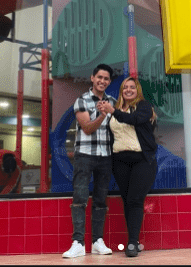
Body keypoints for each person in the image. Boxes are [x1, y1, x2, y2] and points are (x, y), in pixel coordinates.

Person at [98, 77, 158, 258]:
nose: (129, 90)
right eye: (126, 87)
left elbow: (134, 120)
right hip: (120, 161)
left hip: (142, 160)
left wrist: (113, 111)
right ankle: (135, 241)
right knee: (127, 200)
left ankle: (131, 243)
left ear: (137, 90)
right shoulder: (115, 111)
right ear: (122, 91)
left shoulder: (144, 107)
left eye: (132, 87)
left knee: (134, 200)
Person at [62, 64, 116, 259]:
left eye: (106, 79)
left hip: (105, 155)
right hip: (85, 154)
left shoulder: (112, 102)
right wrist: (103, 114)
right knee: (80, 198)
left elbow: (117, 128)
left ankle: (97, 241)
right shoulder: (82, 100)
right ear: (92, 78)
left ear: (109, 82)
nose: (102, 81)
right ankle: (77, 242)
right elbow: (86, 128)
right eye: (99, 77)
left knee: (101, 200)